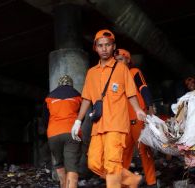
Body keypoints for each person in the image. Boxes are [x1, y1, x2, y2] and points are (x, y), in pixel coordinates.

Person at [71, 29, 146, 188]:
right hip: (98, 125)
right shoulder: (91, 73)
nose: (104, 48)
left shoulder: (121, 68)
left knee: (112, 165)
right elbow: (86, 98)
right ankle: (132, 180)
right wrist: (78, 121)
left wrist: (138, 110)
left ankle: (121, 183)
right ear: (95, 48)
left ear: (113, 47)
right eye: (100, 45)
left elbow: (131, 93)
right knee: (93, 163)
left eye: (108, 45)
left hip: (117, 124)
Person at [114, 48, 157, 187]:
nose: (118, 62)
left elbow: (143, 88)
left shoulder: (134, 72)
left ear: (127, 60)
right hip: (123, 123)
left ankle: (152, 182)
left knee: (145, 152)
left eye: (120, 59)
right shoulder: (114, 79)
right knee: (123, 155)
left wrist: (150, 107)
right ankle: (126, 184)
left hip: (138, 120)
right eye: (116, 60)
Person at [43, 75, 82, 188]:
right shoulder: (77, 95)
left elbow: (45, 118)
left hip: (53, 133)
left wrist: (51, 128)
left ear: (59, 84)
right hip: (71, 133)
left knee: (59, 163)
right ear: (71, 84)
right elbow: (81, 115)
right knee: (72, 166)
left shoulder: (49, 97)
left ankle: (63, 185)